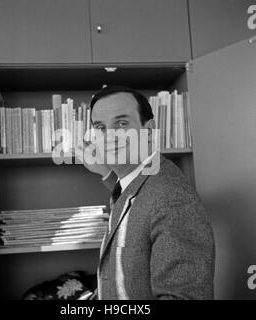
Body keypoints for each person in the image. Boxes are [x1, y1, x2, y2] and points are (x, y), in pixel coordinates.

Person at [75, 86, 215, 300]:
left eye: (121, 124)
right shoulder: (141, 179)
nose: (109, 137)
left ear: (149, 131)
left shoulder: (172, 198)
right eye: (100, 127)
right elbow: (131, 201)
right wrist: (106, 172)